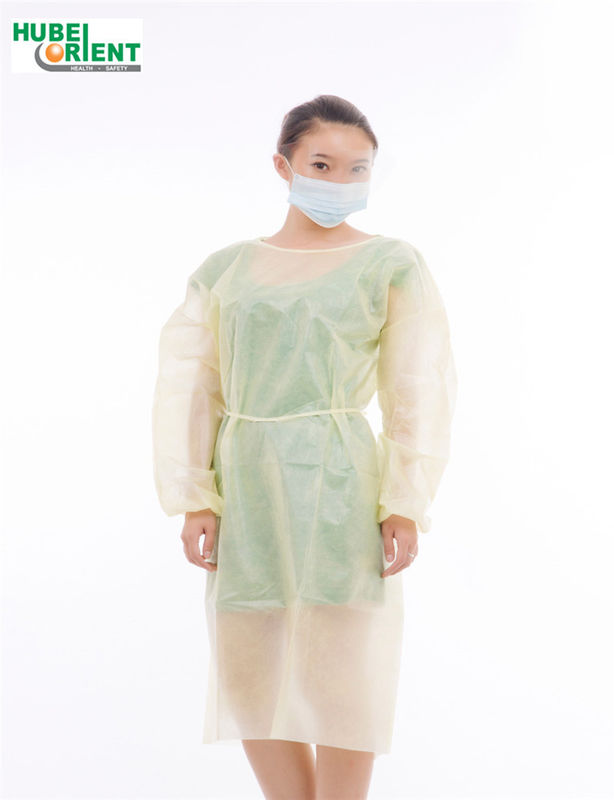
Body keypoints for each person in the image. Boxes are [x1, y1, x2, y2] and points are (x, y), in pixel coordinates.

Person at [152, 94, 457, 800]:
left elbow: (418, 386)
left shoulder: (389, 264)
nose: (339, 180)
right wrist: (194, 496)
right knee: (251, 671)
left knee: (342, 675)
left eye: (357, 169)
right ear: (283, 164)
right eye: (322, 164)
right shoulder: (226, 270)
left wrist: (404, 500)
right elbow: (191, 385)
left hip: (339, 482)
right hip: (246, 483)